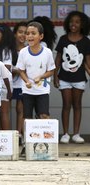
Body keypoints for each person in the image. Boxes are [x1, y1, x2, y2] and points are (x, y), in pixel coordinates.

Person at [54, 11, 90, 144]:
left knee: (77, 105)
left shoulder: (86, 41)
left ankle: (76, 134)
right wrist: (55, 76)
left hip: (79, 78)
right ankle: (65, 134)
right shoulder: (63, 39)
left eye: (77, 22)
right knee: (66, 105)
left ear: (82, 25)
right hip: (64, 78)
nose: (73, 24)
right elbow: (58, 59)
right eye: (71, 21)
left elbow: (87, 61)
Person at [17, 21, 55, 119]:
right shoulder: (23, 52)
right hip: (28, 91)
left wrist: (41, 76)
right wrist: (27, 81)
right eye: (27, 33)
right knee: (27, 117)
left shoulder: (47, 52)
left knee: (44, 115)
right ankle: (28, 135)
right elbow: (21, 70)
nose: (30, 36)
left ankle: (45, 134)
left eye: (33, 33)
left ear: (41, 36)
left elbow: (51, 71)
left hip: (42, 90)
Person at [0, 23, 16, 130]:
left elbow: (7, 67)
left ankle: (6, 137)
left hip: (3, 86)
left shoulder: (5, 50)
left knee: (4, 112)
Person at [12, 21, 27, 143]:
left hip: (22, 83)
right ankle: (5, 134)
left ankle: (19, 134)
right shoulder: (8, 49)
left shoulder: (29, 50)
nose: (23, 35)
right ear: (15, 34)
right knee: (4, 109)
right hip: (9, 84)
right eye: (20, 32)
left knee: (20, 108)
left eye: (26, 33)